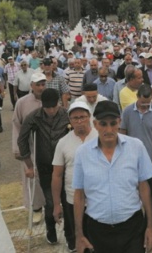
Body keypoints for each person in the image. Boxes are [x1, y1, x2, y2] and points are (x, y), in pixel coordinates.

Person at [73, 100, 152, 253]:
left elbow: (144, 187)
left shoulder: (136, 147)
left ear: (119, 122)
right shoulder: (82, 153)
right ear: (95, 124)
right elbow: (79, 195)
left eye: (113, 123)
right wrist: (79, 234)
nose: (109, 129)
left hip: (132, 228)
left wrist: (150, 226)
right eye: (103, 124)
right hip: (98, 231)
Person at [18, 88, 71, 245]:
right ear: (42, 105)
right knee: (50, 201)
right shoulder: (34, 117)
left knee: (67, 201)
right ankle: (51, 231)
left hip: (65, 166)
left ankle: (70, 235)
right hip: (45, 166)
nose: (51, 110)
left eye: (54, 107)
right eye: (48, 107)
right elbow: (22, 140)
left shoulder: (67, 115)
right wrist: (29, 165)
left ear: (59, 104)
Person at [120, 84, 152, 237]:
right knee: (131, 194)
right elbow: (122, 134)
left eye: (148, 104)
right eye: (142, 104)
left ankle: (150, 221)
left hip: (150, 161)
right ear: (137, 98)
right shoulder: (127, 112)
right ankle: (133, 224)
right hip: (130, 161)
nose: (145, 106)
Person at [51, 101, 98, 252]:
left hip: (98, 199)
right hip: (72, 200)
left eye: (83, 117)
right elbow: (57, 175)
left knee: (98, 241)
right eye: (75, 118)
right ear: (69, 121)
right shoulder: (63, 143)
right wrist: (57, 204)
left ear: (89, 117)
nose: (79, 121)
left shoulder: (100, 137)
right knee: (77, 240)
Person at [12, 72, 47, 224]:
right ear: (31, 86)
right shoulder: (22, 102)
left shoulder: (50, 99)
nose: (41, 87)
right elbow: (16, 125)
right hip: (29, 147)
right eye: (38, 84)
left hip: (48, 145)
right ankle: (37, 208)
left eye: (43, 84)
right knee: (32, 178)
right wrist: (17, 149)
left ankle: (52, 206)